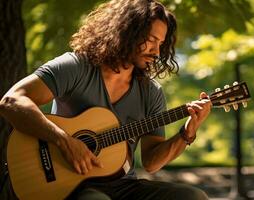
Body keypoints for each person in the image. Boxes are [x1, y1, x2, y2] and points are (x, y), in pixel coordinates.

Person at [0, 0, 212, 199]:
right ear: (128, 32)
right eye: (151, 40)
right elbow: (12, 101)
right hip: (69, 182)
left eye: (161, 44)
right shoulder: (76, 67)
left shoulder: (151, 92)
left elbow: (151, 162)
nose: (157, 51)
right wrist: (64, 141)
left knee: (192, 196)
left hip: (121, 185)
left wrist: (187, 132)